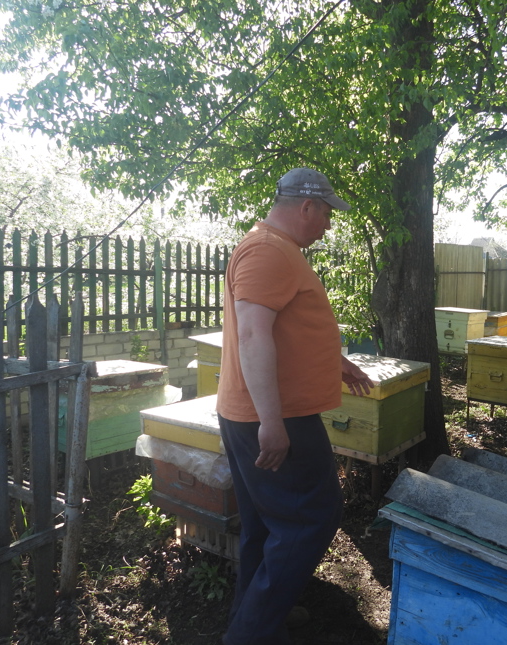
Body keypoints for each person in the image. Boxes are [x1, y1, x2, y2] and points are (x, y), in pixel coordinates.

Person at [216, 167, 374, 645]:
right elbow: (252, 334)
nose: (327, 226)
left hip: (263, 412)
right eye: (326, 215)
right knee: (314, 517)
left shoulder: (273, 248)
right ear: (306, 207)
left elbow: (285, 327)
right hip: (275, 416)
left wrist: (336, 360)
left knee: (267, 526)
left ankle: (258, 615)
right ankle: (252, 633)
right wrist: (271, 422)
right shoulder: (268, 252)